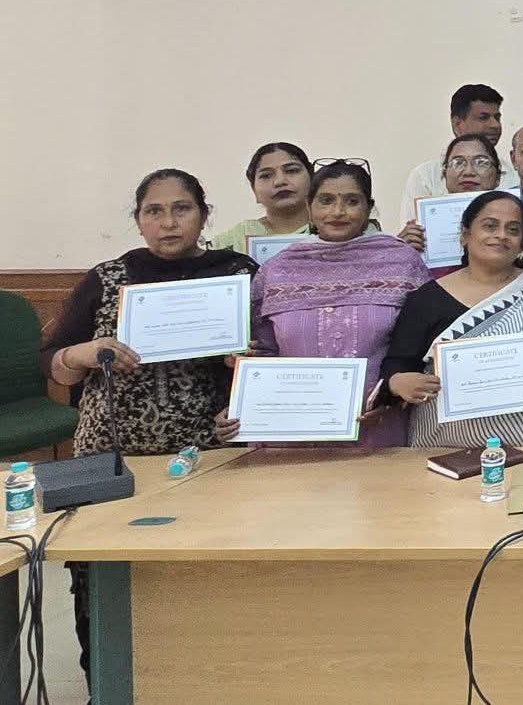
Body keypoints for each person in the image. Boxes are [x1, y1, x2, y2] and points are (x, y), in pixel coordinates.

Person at [41, 170, 255, 693]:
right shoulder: (108, 277)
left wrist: (247, 370)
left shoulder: (236, 273)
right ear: (138, 221)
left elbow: (273, 354)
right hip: (110, 455)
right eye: (154, 211)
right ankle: (105, 685)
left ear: (204, 215)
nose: (168, 222)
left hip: (208, 454)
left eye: (181, 209)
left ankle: (199, 686)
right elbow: (51, 363)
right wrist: (82, 353)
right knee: (101, 575)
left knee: (202, 575)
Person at [215, 160, 430, 448]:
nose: (338, 212)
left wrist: (387, 397)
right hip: (292, 433)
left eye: (351, 201)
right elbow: (260, 353)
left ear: (368, 208)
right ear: (309, 207)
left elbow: (420, 348)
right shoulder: (277, 270)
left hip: (378, 427)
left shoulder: (403, 263)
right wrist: (243, 404)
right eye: (326, 201)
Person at [382, 191, 523, 445]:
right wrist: (398, 382)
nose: (501, 235)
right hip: (442, 450)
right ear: (465, 234)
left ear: (521, 243)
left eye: (512, 230)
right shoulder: (426, 299)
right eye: (490, 226)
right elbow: (396, 365)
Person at [398, 83, 512, 227]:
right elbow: (412, 230)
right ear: (458, 125)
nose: (495, 125)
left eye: (497, 118)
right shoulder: (425, 176)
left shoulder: (513, 175)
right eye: (484, 118)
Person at [397, 133, 503, 276]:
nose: (468, 172)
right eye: (458, 163)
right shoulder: (420, 227)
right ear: (444, 175)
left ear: (498, 177)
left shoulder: (515, 218)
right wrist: (401, 252)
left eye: (481, 162)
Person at [210, 142, 313, 253]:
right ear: (254, 190)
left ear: (313, 178)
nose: (280, 181)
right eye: (266, 175)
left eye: (291, 171)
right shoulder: (234, 241)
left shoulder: (326, 230)